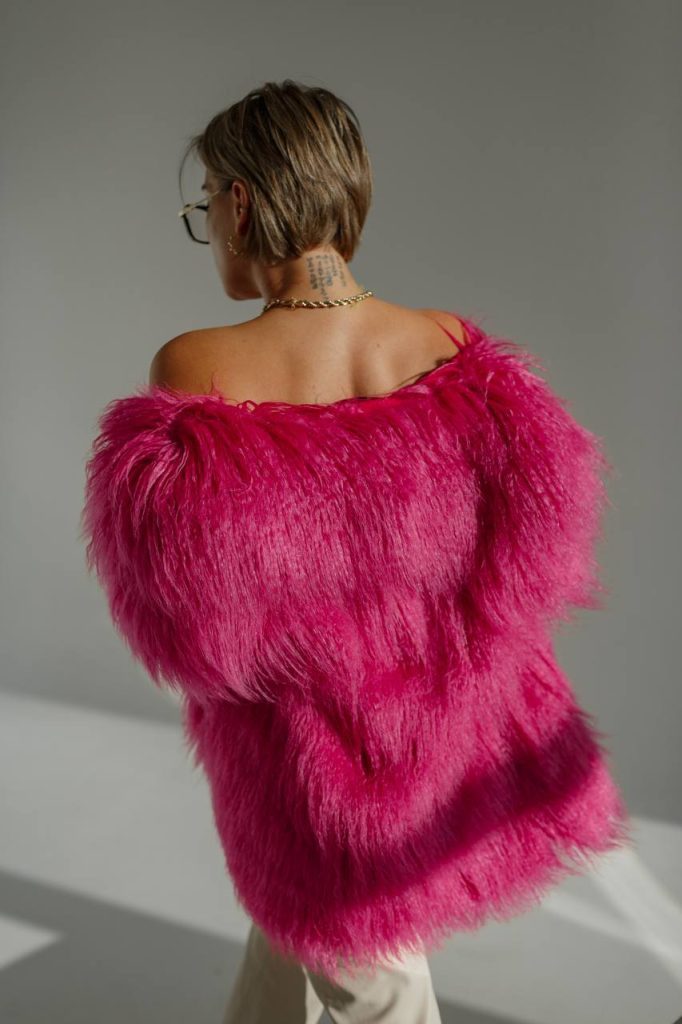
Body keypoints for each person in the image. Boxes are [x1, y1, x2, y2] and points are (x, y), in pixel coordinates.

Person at [80, 80, 632, 1024]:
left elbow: (187, 623)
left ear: (241, 201)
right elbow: (529, 557)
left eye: (205, 203)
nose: (208, 228)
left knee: (379, 983)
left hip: (303, 758)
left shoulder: (197, 367)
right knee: (297, 945)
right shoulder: (448, 348)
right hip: (435, 731)